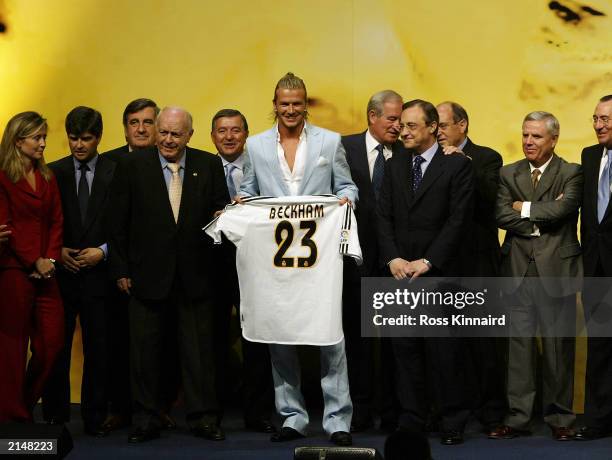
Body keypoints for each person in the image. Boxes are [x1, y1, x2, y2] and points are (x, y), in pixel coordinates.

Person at [239, 72, 358, 446]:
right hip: (274, 262)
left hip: (320, 260)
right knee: (280, 335)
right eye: (284, 103)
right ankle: (292, 416)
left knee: (330, 337)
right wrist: (243, 201)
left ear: (305, 105)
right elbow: (247, 189)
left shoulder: (330, 141)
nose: (291, 110)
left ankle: (337, 420)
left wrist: (346, 201)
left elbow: (347, 185)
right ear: (274, 106)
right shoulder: (255, 147)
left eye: (297, 103)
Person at [109, 107, 228, 443]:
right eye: (163, 132)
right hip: (146, 277)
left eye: (176, 134)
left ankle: (203, 418)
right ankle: (146, 419)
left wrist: (223, 214)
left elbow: (219, 213)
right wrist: (120, 269)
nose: (168, 140)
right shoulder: (131, 166)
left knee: (199, 355)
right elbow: (117, 224)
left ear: (190, 134)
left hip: (196, 277)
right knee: (144, 354)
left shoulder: (208, 164)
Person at [376, 99, 473, 445]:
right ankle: (412, 419)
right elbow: (382, 216)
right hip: (400, 272)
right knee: (405, 352)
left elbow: (458, 221)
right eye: (402, 125)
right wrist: (392, 259)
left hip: (438, 273)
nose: (403, 131)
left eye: (411, 126)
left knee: (444, 352)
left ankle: (451, 420)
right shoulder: (394, 165)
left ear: (433, 127)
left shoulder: (457, 167)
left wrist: (428, 260)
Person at [490, 111, 581, 441]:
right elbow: (500, 215)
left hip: (557, 270)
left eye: (537, 136)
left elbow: (563, 210)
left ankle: (560, 419)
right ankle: (518, 419)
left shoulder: (572, 172)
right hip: (516, 271)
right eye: (525, 135)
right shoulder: (507, 172)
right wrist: (537, 215)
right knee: (518, 350)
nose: (528, 141)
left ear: (553, 139)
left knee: (559, 349)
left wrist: (522, 208)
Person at [101, 98, 178, 433]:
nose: (142, 129)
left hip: (162, 276)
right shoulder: (111, 163)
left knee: (161, 346)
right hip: (121, 273)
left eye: (149, 122)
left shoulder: (176, 160)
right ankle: (120, 408)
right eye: (135, 122)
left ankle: (158, 407)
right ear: (125, 127)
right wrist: (118, 267)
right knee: (119, 344)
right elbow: (111, 223)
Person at [42, 107, 115, 436]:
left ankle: (94, 417)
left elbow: (126, 223)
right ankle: (55, 414)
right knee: (56, 346)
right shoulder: (51, 172)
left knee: (99, 349)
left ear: (98, 137)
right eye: (73, 138)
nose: (79, 145)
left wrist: (102, 252)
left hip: (100, 274)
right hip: (61, 274)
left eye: (86, 138)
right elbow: (41, 223)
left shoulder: (115, 172)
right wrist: (56, 252)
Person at [436, 101, 506, 431]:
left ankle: (491, 412)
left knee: (485, 342)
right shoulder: (428, 159)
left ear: (462, 126)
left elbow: (491, 197)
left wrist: (463, 162)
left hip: (479, 263)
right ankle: (453, 410)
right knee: (449, 343)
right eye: (434, 125)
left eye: (444, 125)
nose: (438, 132)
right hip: (444, 263)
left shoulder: (487, 157)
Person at [210, 108, 276, 433]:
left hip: (256, 266)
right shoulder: (202, 168)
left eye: (236, 130)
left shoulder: (264, 169)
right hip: (212, 268)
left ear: (246, 135)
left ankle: (258, 411)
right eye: (222, 131)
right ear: (212, 136)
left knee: (256, 341)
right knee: (213, 340)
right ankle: (214, 410)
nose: (229, 136)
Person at [341, 90, 403, 433]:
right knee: (358, 340)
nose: (397, 126)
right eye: (391, 119)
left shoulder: (408, 153)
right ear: (372, 117)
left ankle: (392, 411)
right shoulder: (342, 147)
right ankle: (360, 410)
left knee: (396, 342)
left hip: (396, 260)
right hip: (355, 259)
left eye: (400, 119)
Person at [0, 111, 64, 423]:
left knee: (51, 344)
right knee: (12, 349)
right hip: (12, 270)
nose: (42, 144)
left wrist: (49, 259)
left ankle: (20, 405)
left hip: (46, 272)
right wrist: (32, 259)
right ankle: (12, 418)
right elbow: (6, 226)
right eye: (37, 138)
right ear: (17, 140)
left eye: (43, 137)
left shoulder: (47, 177)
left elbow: (56, 222)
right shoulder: (2, 177)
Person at [576, 95, 612, 440]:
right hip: (596, 268)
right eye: (596, 118)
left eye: (606, 119)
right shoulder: (589, 156)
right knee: (599, 346)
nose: (599, 125)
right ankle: (599, 419)